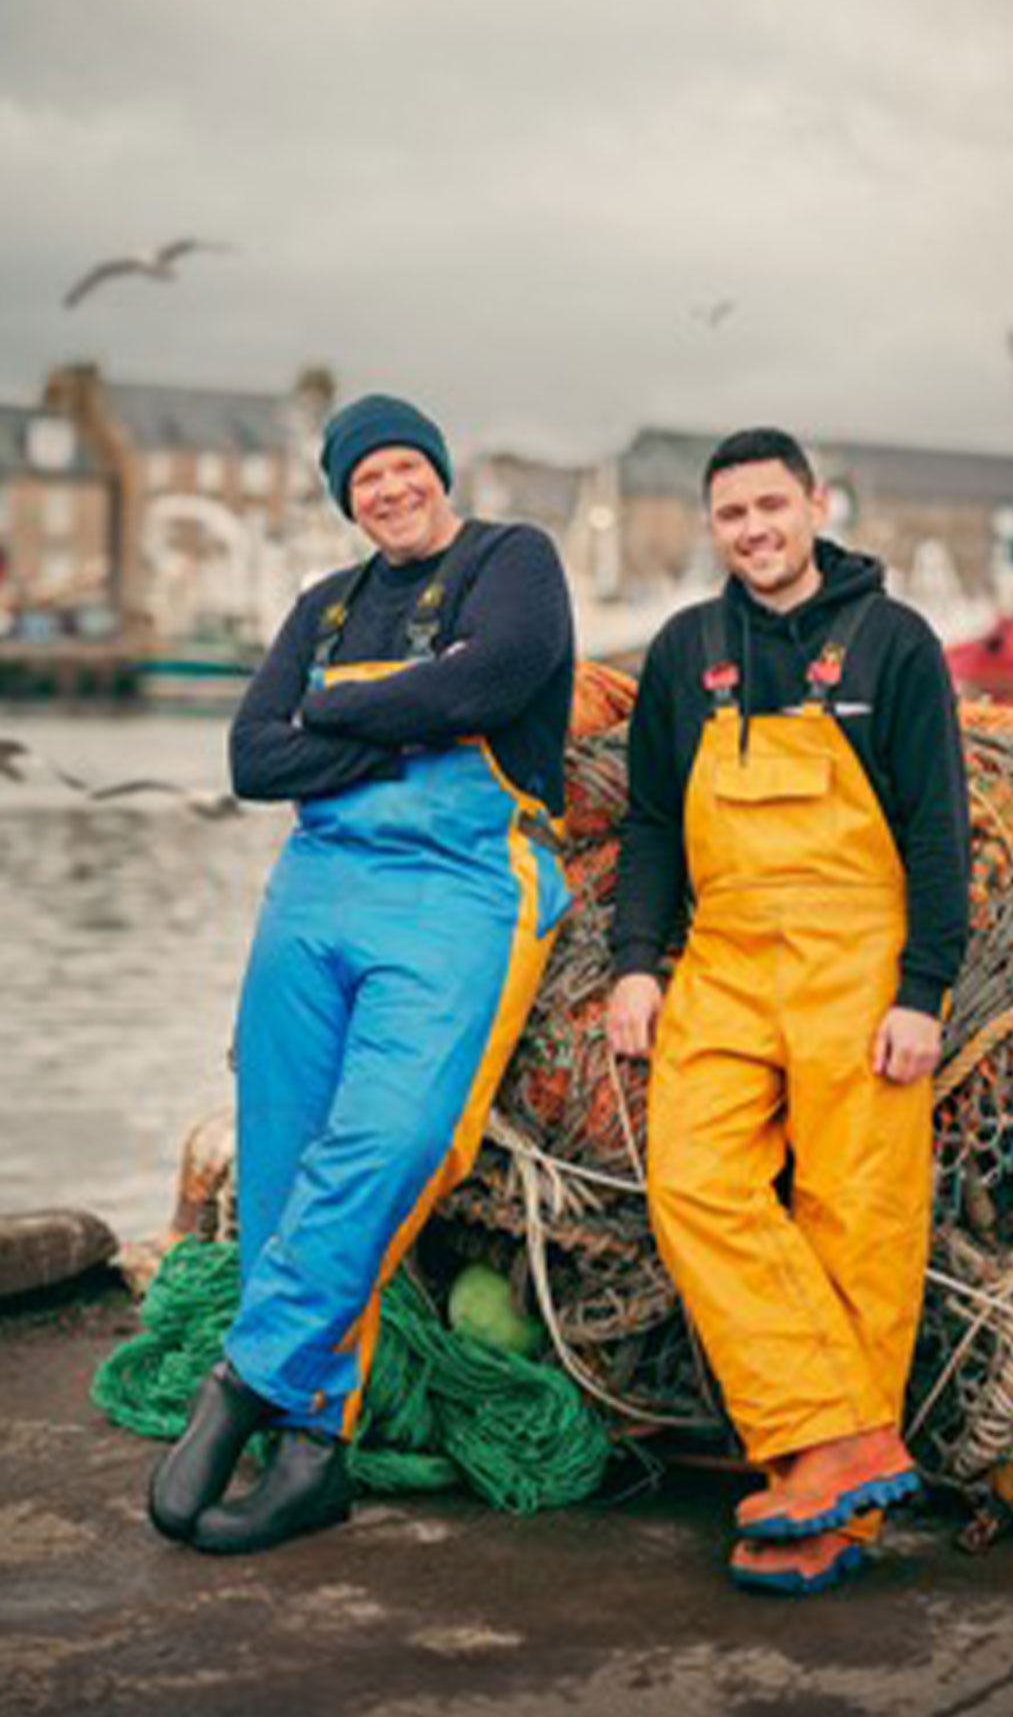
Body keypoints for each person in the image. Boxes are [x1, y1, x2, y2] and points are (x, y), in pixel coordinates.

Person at [149, 393, 574, 1554]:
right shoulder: (322, 604)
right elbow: (252, 754)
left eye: (402, 468)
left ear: (439, 469)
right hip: (316, 888)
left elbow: (493, 683)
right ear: (346, 500)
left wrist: (331, 714)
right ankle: (312, 1448)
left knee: (392, 1141)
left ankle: (242, 1384)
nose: (388, 491)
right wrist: (396, 720)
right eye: (363, 481)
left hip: (463, 885)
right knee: (284, 1154)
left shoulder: (511, 561)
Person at [606, 427, 970, 1597]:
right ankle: (844, 1440)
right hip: (722, 957)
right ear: (714, 528)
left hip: (858, 963)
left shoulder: (896, 644)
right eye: (732, 516)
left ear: (817, 504)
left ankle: (828, 1505)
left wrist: (925, 990)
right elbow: (655, 823)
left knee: (854, 1211)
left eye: (773, 506)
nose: (755, 531)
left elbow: (937, 832)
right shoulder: (685, 649)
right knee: (694, 1178)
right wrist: (635, 962)